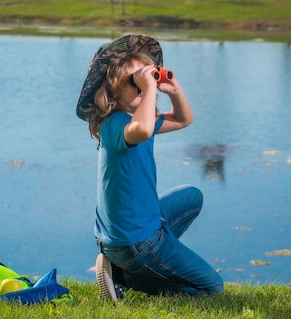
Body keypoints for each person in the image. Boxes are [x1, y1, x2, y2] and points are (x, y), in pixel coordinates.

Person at [76, 34, 223, 302]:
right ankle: (128, 276)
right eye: (135, 81)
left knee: (191, 196)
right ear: (111, 90)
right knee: (212, 288)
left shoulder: (135, 120)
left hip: (127, 234)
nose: (144, 86)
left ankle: (137, 264)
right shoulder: (117, 125)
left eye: (148, 77)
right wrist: (150, 89)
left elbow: (182, 119)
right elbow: (142, 130)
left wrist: (174, 91)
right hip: (134, 242)